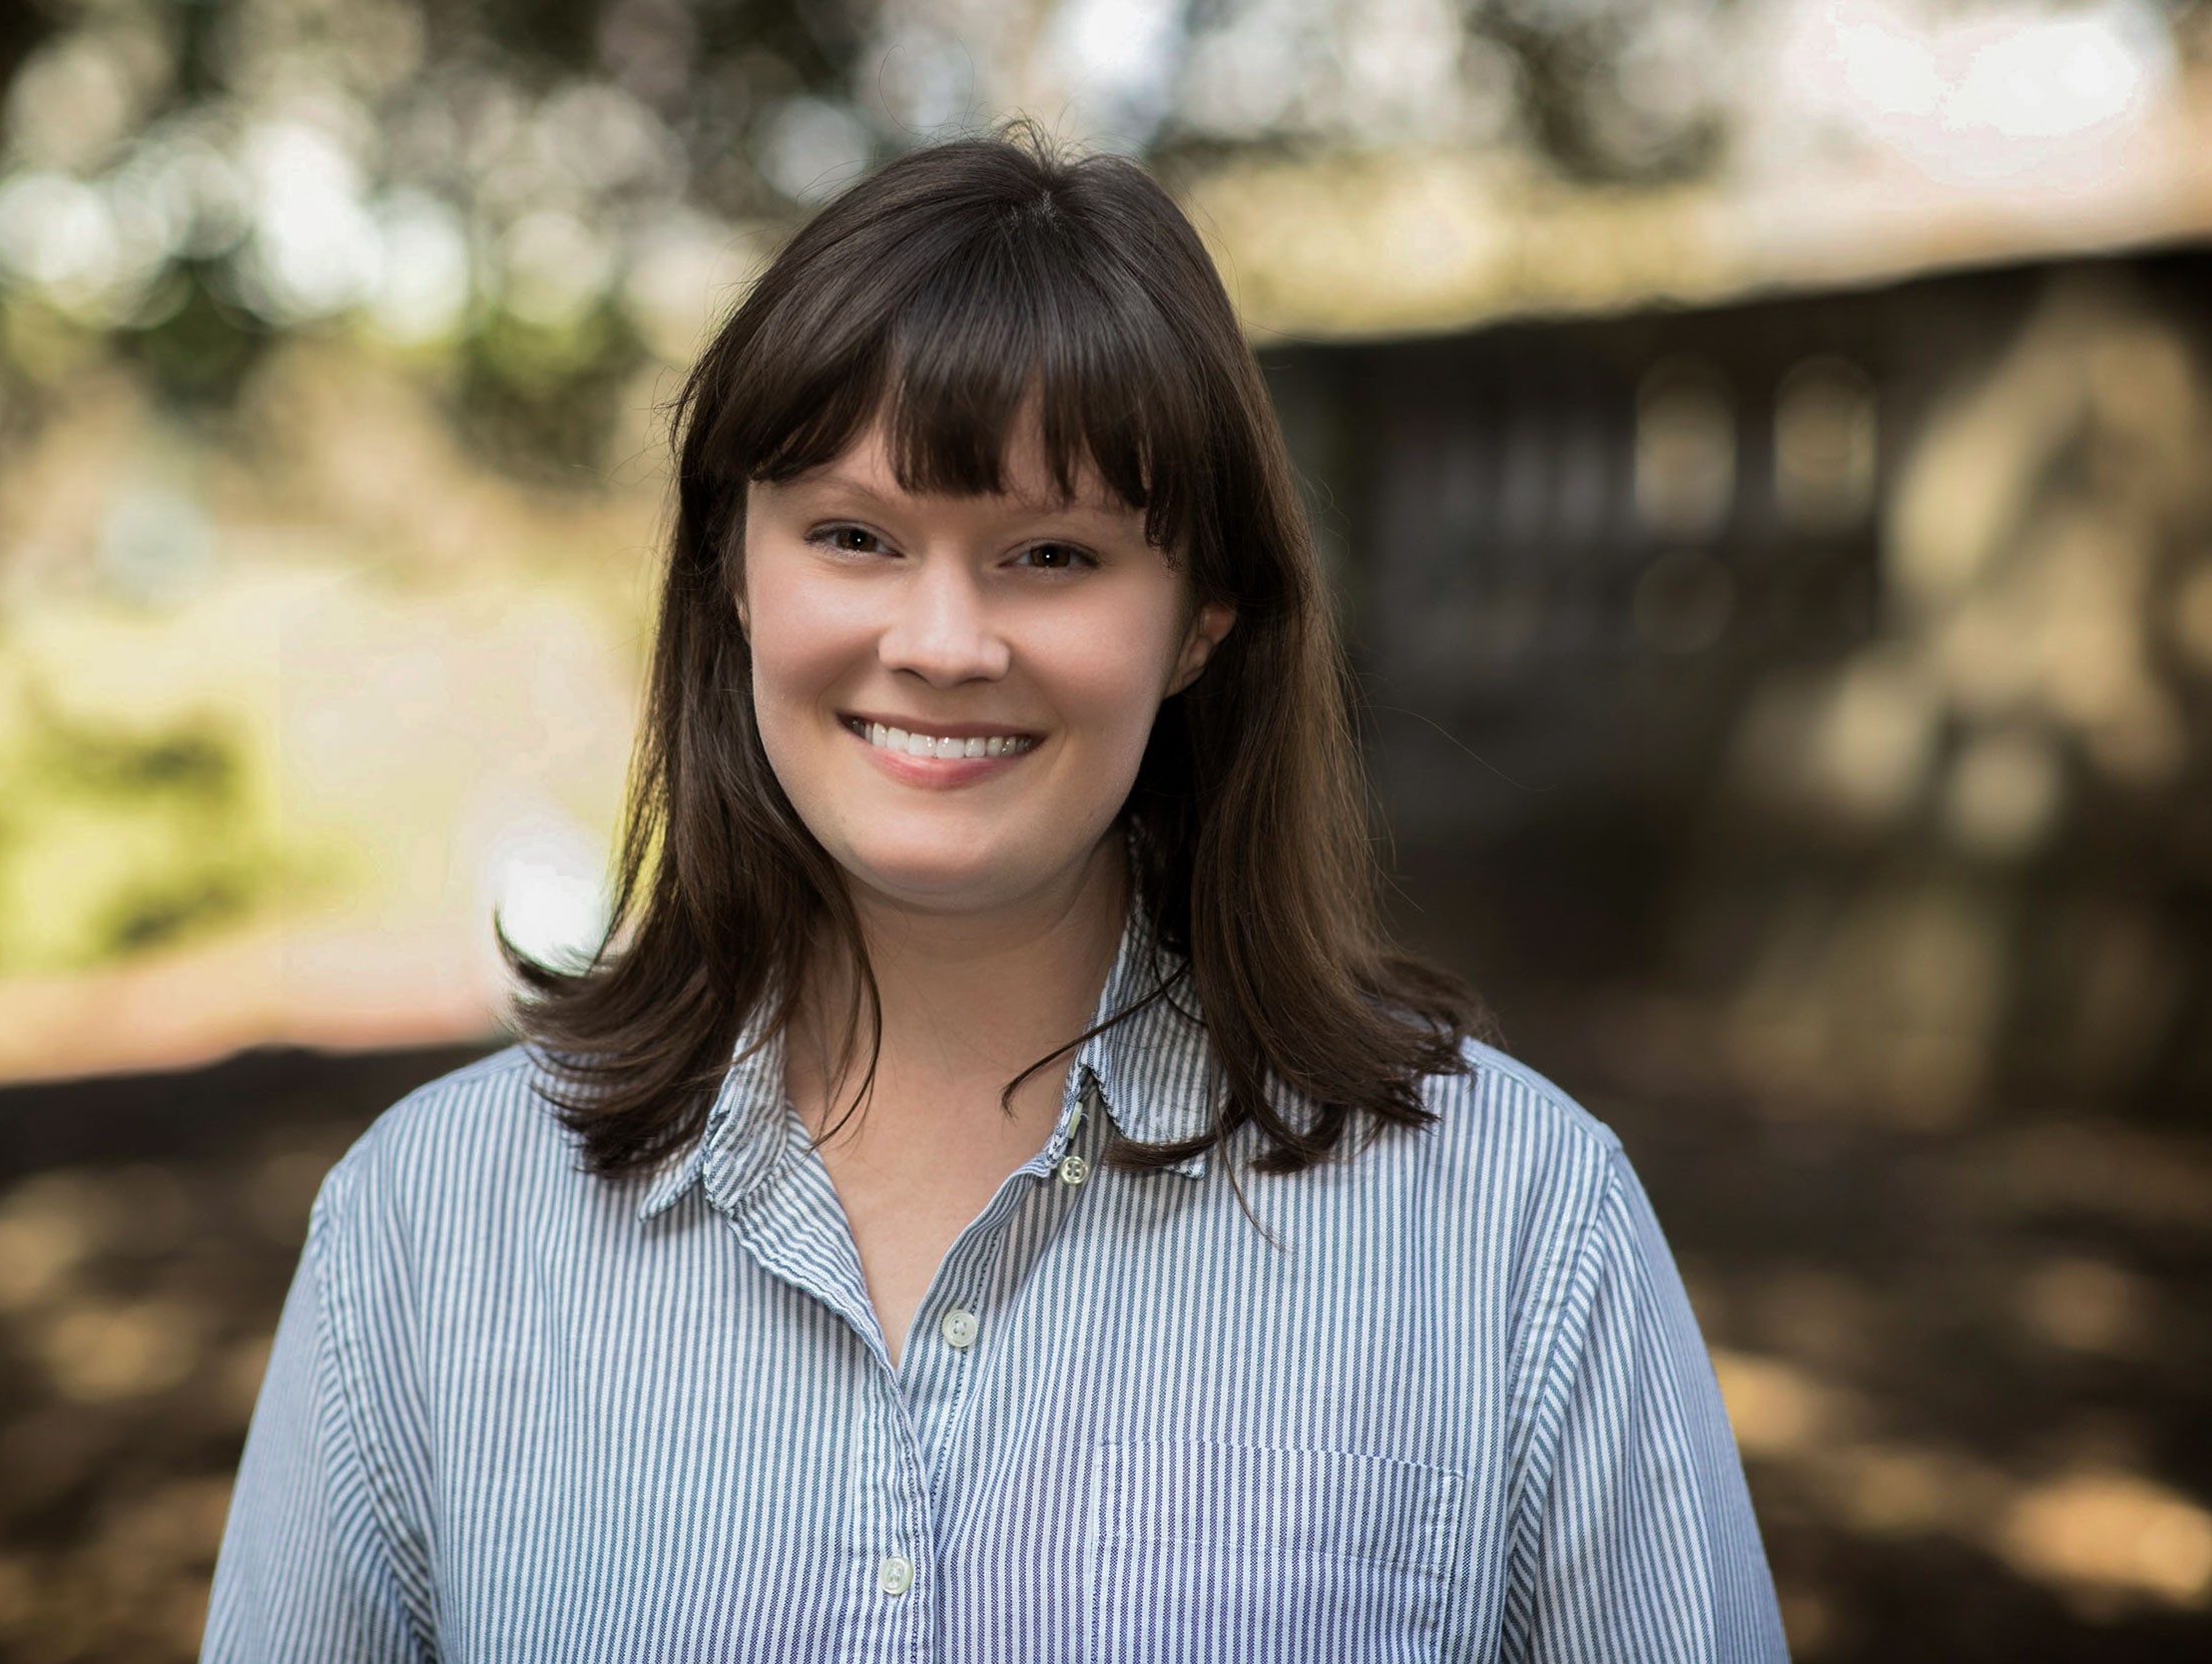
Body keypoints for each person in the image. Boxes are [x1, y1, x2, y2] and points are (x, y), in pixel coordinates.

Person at [202, 132, 1787, 1662]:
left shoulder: (1515, 1230)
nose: (944, 641)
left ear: (1203, 617)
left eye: (1049, 555)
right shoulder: (428, 1230)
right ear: (733, 575)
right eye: (852, 535)